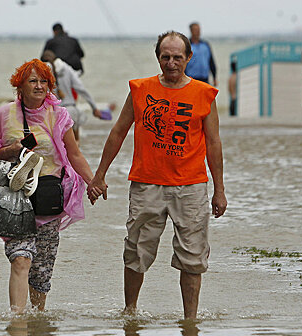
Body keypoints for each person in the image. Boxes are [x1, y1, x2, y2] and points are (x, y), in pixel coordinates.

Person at [87, 31, 227, 320]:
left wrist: (220, 189)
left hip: (191, 187)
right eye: (166, 57)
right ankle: (130, 312)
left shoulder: (204, 93)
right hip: (146, 184)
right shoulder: (140, 89)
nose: (171, 63)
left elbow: (213, 143)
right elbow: (118, 132)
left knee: (192, 256)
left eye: (178, 57)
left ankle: (190, 322)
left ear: (189, 57)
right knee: (136, 251)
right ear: (158, 58)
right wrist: (99, 175)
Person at [0, 59, 99, 313]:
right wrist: (12, 149)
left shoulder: (59, 115)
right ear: (19, 86)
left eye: (44, 81)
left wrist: (93, 181)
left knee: (41, 271)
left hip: (48, 198)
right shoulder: (4, 115)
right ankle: (18, 321)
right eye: (33, 81)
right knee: (20, 259)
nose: (39, 86)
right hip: (15, 199)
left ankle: (38, 321)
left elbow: (74, 154)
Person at [41, 50, 101, 143]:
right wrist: (94, 107)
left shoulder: (43, 71)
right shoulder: (67, 68)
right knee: (75, 145)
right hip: (72, 111)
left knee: (58, 147)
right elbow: (81, 89)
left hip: (54, 113)